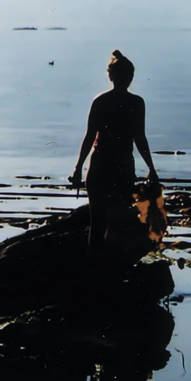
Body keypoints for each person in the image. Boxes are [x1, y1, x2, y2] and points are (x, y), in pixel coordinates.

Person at [69, 50, 158, 254]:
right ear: (130, 77)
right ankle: (111, 271)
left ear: (111, 76)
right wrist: (151, 168)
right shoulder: (136, 103)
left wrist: (79, 167)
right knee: (117, 223)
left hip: (100, 164)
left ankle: (96, 270)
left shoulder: (100, 101)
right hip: (122, 165)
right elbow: (140, 138)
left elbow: (90, 137)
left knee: (97, 223)